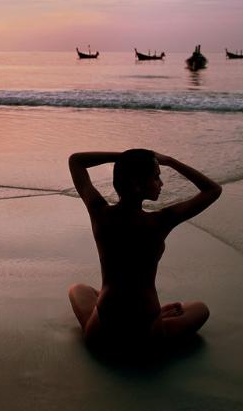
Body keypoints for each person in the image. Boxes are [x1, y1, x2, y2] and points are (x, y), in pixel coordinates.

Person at [67, 149, 222, 354]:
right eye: (156, 176)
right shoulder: (160, 221)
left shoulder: (99, 213)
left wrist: (126, 158)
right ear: (136, 184)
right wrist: (171, 161)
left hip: (100, 333)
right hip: (145, 336)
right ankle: (160, 318)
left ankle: (113, 324)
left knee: (78, 289)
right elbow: (212, 190)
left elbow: (76, 161)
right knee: (200, 309)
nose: (161, 183)